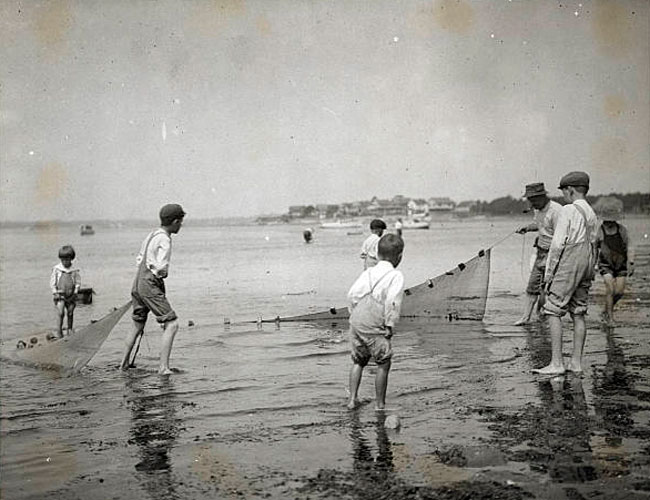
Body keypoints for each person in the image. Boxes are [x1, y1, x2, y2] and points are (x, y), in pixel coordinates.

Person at [533, 172, 598, 375]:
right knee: (578, 312)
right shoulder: (592, 213)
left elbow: (558, 244)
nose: (563, 196)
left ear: (570, 190)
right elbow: (594, 241)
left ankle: (557, 363)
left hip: (571, 259)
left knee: (552, 309)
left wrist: (549, 275)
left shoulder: (569, 210)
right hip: (587, 261)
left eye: (564, 192)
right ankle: (576, 363)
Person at [120, 203, 186, 375]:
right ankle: (163, 368)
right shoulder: (165, 238)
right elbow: (161, 267)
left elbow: (140, 258)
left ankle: (123, 364)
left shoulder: (152, 235)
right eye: (180, 222)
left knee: (137, 323)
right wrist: (162, 273)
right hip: (149, 283)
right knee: (171, 323)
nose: (181, 225)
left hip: (137, 282)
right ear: (175, 221)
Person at [347, 233, 405, 410]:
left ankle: (352, 400)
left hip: (357, 319)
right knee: (383, 362)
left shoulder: (369, 272)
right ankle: (380, 405)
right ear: (399, 257)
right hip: (375, 320)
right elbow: (392, 302)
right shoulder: (396, 275)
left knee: (358, 361)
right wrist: (389, 325)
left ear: (377, 255)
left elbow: (352, 295)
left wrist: (354, 313)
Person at [514, 183, 562, 325]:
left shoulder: (556, 211)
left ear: (542, 197)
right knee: (532, 287)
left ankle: (551, 317)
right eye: (530, 200)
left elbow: (561, 236)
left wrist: (554, 257)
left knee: (551, 288)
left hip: (554, 254)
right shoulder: (537, 209)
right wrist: (527, 228)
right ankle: (526, 317)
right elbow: (540, 225)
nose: (531, 203)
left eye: (533, 200)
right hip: (540, 252)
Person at [594, 197, 634, 326]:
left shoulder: (622, 230)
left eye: (612, 220)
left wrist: (631, 262)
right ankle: (610, 319)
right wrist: (593, 264)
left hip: (621, 265)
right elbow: (594, 248)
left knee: (619, 292)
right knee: (610, 289)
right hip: (605, 264)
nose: (609, 223)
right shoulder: (600, 231)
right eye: (607, 221)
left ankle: (606, 310)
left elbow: (630, 246)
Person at [50, 245, 81, 338]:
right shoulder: (57, 269)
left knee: (70, 312)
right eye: (63, 260)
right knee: (60, 312)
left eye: (67, 259)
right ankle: (59, 331)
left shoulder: (74, 270)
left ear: (71, 259)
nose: (65, 262)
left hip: (71, 295)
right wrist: (55, 292)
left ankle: (70, 329)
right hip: (60, 295)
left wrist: (75, 292)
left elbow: (77, 282)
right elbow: (52, 282)